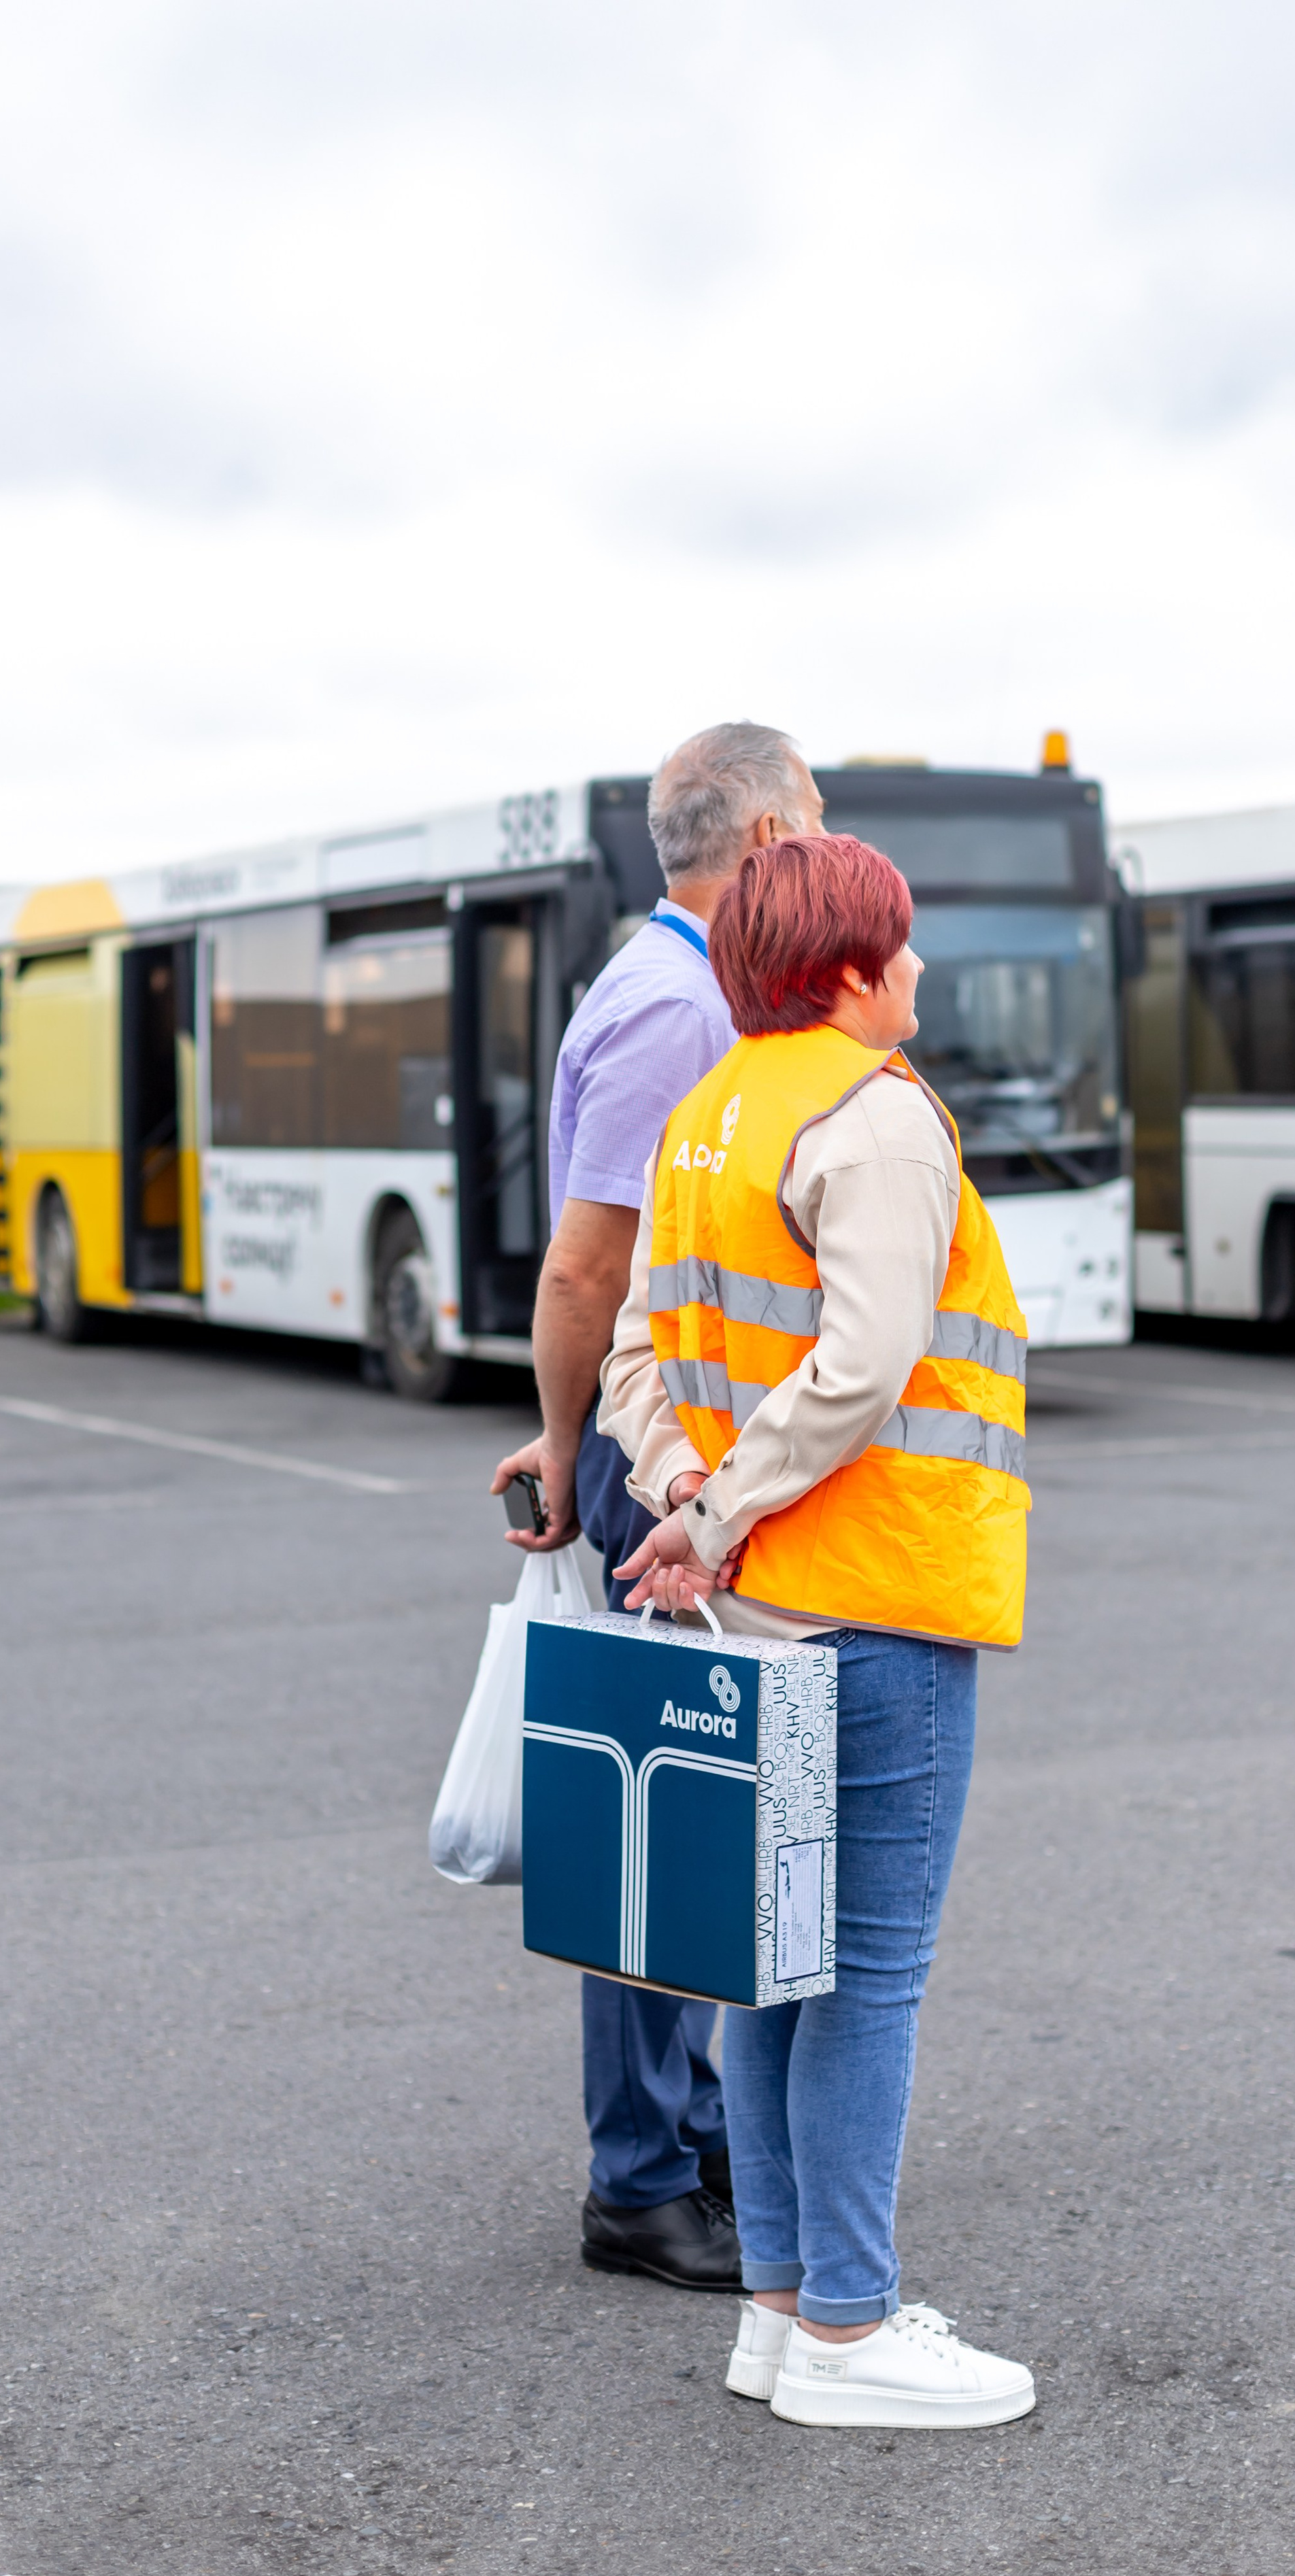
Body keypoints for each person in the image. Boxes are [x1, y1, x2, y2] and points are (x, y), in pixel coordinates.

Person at [596, 832, 1039, 2428]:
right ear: (853, 968)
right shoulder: (880, 1117)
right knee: (864, 1982)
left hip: (758, 1614)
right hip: (877, 1602)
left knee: (771, 1974)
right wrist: (712, 1512)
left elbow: (638, 1356)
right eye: (902, 949)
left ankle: (779, 2315)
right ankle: (850, 2329)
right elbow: (863, 1365)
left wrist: (681, 1491)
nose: (916, 973)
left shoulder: (707, 1117)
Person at [490, 722, 826, 2292]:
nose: (819, 858)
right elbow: (586, 1266)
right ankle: (638, 2177)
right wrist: (568, 1452)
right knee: (656, 1805)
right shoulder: (676, 1011)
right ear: (761, 838)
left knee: (687, 1803)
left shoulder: (681, 992)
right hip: (655, 1463)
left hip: (668, 1456)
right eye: (811, 828)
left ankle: (680, 2136)